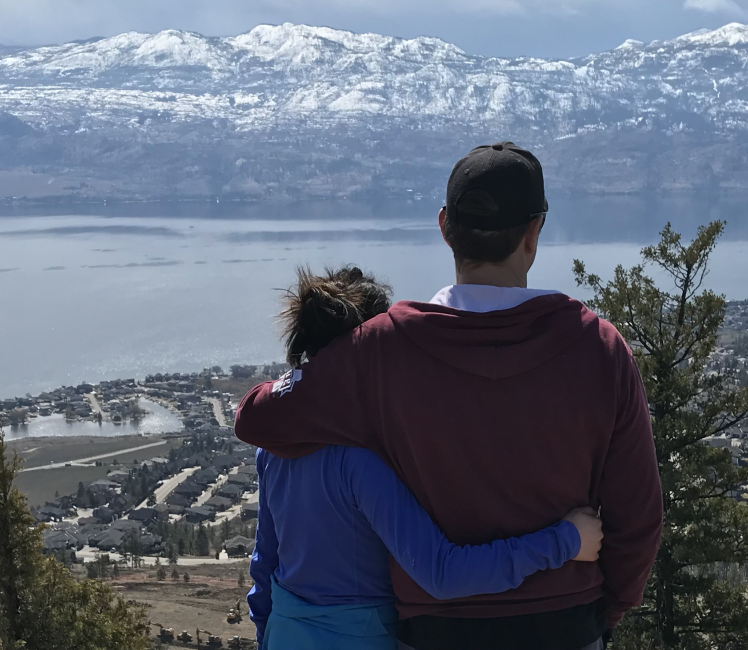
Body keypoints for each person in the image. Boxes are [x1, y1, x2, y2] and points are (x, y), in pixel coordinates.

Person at [234, 143, 663, 650]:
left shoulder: (382, 348)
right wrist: (603, 613)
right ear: (535, 231)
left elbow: (258, 419)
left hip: (437, 630)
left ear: (444, 227)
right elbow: (638, 517)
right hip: (567, 621)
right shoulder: (599, 347)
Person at [248, 265, 604, 650]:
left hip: (284, 634)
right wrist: (566, 541)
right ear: (365, 355)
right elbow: (440, 573)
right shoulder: (360, 464)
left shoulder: (273, 448)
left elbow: (264, 568)